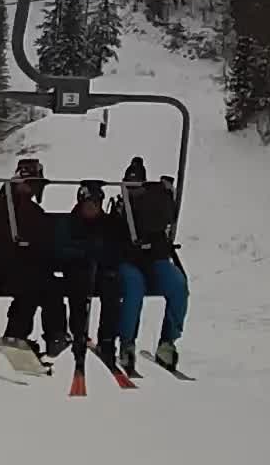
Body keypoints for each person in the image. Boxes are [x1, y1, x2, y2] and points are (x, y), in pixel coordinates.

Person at [108, 157, 188, 373]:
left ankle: (167, 341)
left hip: (155, 259)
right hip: (128, 262)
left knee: (178, 284)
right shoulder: (119, 209)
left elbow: (164, 222)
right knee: (134, 286)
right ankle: (127, 343)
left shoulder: (153, 205)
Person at [0, 156, 68, 358]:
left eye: (34, 186)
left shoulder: (35, 211)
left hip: (27, 267)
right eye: (28, 184)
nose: (30, 190)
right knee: (31, 284)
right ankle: (15, 334)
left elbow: (43, 243)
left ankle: (55, 334)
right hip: (0, 265)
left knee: (50, 285)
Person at [51, 180, 125, 361]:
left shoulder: (108, 223)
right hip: (76, 270)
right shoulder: (70, 222)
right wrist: (83, 253)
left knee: (112, 287)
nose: (93, 208)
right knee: (79, 286)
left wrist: (103, 257)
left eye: (96, 205)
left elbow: (117, 249)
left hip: (101, 271)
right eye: (89, 204)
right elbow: (60, 249)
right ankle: (78, 333)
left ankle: (107, 339)